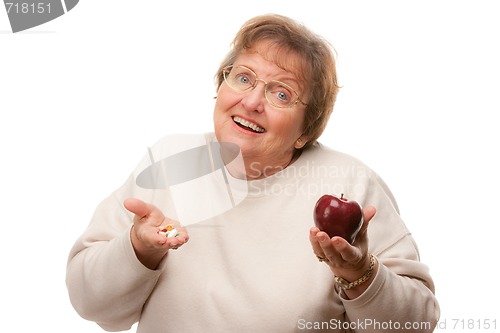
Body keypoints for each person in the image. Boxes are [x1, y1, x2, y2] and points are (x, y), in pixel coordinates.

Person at [66, 14, 440, 332]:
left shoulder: (351, 183)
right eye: (244, 78)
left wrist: (360, 275)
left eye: (281, 94)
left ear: (306, 131)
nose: (251, 101)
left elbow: (417, 322)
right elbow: (90, 303)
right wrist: (137, 249)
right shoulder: (169, 159)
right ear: (220, 86)